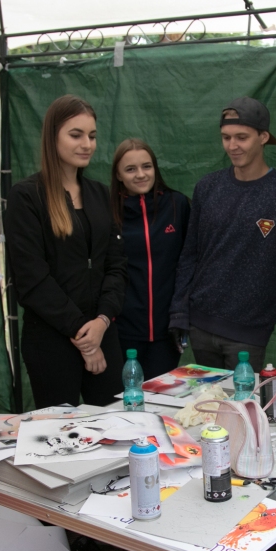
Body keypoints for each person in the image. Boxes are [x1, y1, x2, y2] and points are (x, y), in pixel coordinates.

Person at [169, 97, 276, 371]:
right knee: (207, 399)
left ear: (263, 137)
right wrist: (179, 311)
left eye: (241, 137)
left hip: (248, 336)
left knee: (241, 399)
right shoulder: (207, 187)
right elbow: (189, 255)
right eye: (226, 137)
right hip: (200, 327)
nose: (232, 146)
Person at [5, 95, 127, 411]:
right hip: (51, 342)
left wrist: (101, 322)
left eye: (92, 136)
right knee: (59, 433)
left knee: (116, 426)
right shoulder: (26, 197)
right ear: (53, 136)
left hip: (103, 334)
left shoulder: (101, 194)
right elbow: (31, 280)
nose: (87, 144)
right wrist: (83, 337)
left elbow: (116, 266)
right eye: (76, 135)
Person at [111, 138, 191, 379]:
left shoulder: (177, 205)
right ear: (118, 175)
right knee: (126, 396)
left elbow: (190, 262)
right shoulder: (108, 211)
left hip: (167, 332)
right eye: (130, 169)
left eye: (146, 166)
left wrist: (181, 315)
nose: (140, 174)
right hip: (122, 331)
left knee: (160, 396)